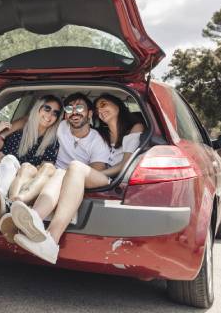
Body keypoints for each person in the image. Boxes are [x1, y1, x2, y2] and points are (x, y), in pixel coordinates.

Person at [10, 93, 145, 263]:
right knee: (61, 172)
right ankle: (33, 220)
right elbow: (32, 120)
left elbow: (125, 165)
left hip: (110, 178)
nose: (101, 110)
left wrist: (75, 174)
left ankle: (52, 239)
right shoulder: (96, 131)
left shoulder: (131, 128)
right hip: (71, 175)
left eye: (104, 105)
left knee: (74, 167)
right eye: (98, 108)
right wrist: (1, 132)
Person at [0, 95, 62, 248]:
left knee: (6, 165)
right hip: (8, 173)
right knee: (7, 161)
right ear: (38, 109)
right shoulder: (20, 133)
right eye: (47, 109)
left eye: (55, 113)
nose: (50, 115)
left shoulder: (53, 141)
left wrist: (9, 164)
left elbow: (45, 171)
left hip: (27, 181)